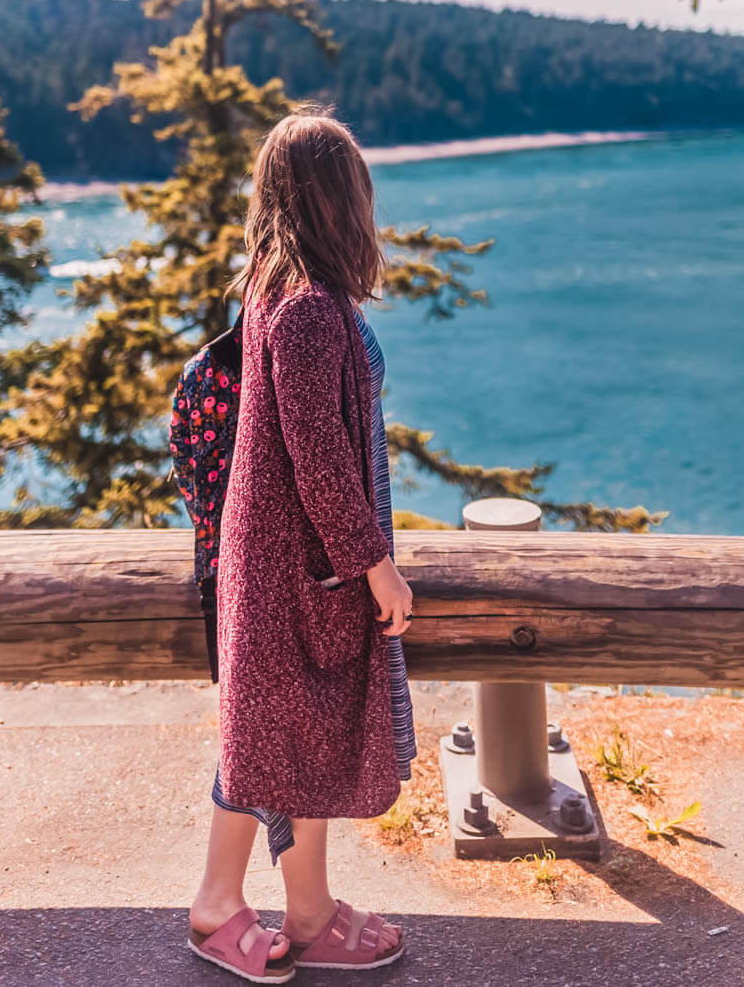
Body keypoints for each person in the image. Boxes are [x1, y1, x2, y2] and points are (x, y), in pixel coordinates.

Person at [186, 109, 417, 982]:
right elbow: (319, 454)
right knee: (269, 737)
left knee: (294, 735)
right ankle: (216, 907)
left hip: (283, 563)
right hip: (302, 570)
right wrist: (376, 565)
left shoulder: (273, 292)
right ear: (340, 201)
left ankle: (310, 909)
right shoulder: (312, 311)